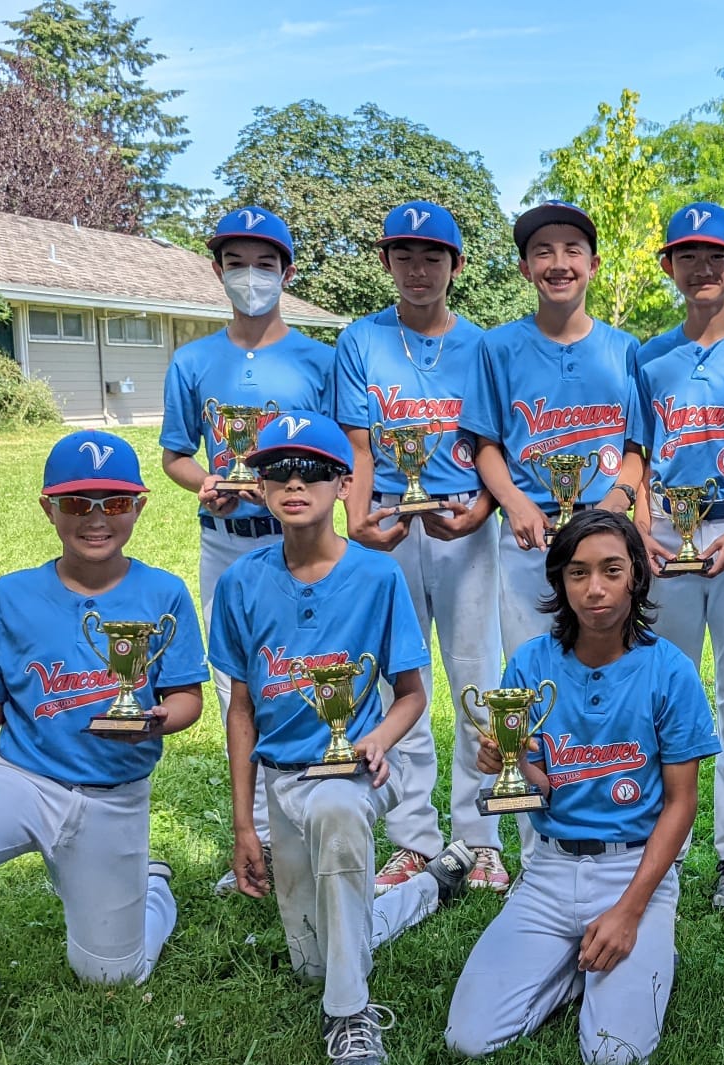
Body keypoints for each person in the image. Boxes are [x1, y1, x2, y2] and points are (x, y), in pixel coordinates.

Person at [0, 432, 206, 1050]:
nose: (95, 518)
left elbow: (189, 695)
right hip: (23, 779)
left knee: (113, 974)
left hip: (114, 793)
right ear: (48, 509)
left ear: (139, 508)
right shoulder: (9, 598)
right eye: (77, 502)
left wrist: (158, 716)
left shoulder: (163, 594)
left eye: (113, 503)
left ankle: (152, 889)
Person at [210, 411, 477, 1065]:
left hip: (351, 773)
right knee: (320, 953)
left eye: (313, 472)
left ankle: (351, 1017)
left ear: (344, 483)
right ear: (260, 486)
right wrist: (247, 824)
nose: (293, 483)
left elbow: (413, 694)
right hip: (280, 777)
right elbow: (240, 710)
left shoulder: (376, 576)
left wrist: (378, 739)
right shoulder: (241, 583)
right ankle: (426, 888)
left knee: (336, 818)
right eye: (277, 472)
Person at [444, 510, 713, 1065]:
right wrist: (509, 759)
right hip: (548, 873)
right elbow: (541, 787)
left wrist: (631, 912)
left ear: (636, 576)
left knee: (614, 1057)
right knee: (468, 1039)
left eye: (611, 570)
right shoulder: (532, 663)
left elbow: (682, 803)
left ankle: (642, 945)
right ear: (559, 582)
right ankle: (574, 964)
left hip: (633, 871)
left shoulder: (670, 671)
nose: (594, 589)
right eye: (577, 573)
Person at [334, 200, 510, 895]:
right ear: (385, 262)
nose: (417, 268)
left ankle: (481, 837)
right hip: (389, 525)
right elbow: (356, 445)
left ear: (456, 265)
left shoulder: (484, 347)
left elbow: (498, 445)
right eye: (403, 255)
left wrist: (486, 508)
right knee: (399, 679)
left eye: (432, 255)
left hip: (465, 521)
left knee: (479, 678)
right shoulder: (360, 342)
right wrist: (356, 520)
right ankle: (412, 836)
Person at [158, 205, 336, 896]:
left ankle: (321, 815)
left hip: (304, 540)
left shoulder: (321, 358)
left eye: (265, 264)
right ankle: (258, 835)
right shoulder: (193, 360)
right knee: (243, 682)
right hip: (227, 543)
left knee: (316, 673)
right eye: (238, 262)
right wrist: (206, 482)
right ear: (217, 270)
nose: (251, 276)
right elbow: (176, 455)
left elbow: (341, 452)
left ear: (287, 273)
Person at [635, 201, 724, 912]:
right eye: (687, 255)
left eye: (716, 256)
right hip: (665, 530)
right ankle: (662, 840)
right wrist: (638, 525)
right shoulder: (649, 356)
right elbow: (635, 454)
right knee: (664, 688)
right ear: (668, 266)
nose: (702, 268)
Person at [462, 200, 649, 658]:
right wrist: (516, 504)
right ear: (525, 268)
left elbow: (634, 448)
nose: (559, 264)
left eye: (573, 250)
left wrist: (615, 501)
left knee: (611, 662)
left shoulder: (624, 348)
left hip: (606, 529)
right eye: (543, 252)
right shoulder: (497, 346)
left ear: (594, 264)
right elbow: (486, 444)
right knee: (532, 660)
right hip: (532, 531)